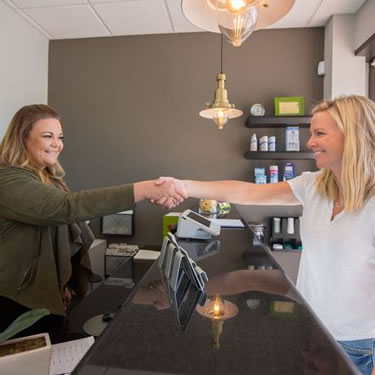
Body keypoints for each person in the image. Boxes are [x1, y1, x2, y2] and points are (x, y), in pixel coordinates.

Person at [155, 95, 375, 375]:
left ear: (353, 136)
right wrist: (182, 185)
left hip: (355, 344)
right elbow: (248, 192)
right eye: (311, 133)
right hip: (313, 328)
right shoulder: (314, 186)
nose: (310, 142)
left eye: (320, 133)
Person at [0, 104, 186, 341]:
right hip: (14, 301)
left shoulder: (48, 179)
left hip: (43, 296)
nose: (57, 144)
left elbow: (52, 238)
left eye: (60, 137)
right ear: (22, 138)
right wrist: (145, 189)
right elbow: (66, 207)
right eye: (47, 136)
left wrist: (62, 284)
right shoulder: (7, 179)